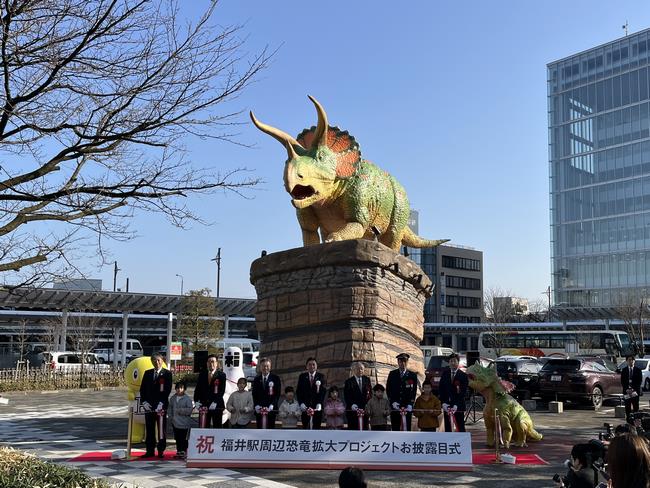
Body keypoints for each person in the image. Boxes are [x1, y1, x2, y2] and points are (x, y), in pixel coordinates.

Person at [139, 353, 173, 458]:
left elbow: (167, 389)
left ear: (162, 361)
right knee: (149, 429)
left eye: (158, 360)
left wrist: (161, 403)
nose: (156, 362)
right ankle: (150, 450)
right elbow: (142, 389)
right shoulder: (147, 373)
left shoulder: (167, 374)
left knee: (161, 429)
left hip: (160, 406)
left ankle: (161, 450)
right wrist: (144, 402)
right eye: (154, 360)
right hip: (149, 406)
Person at [386, 352, 418, 431]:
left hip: (407, 406)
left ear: (407, 362)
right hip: (395, 406)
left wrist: (411, 404)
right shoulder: (392, 374)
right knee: (395, 427)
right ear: (398, 362)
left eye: (405, 361)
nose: (403, 363)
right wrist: (392, 401)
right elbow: (388, 389)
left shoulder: (412, 375)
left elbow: (413, 391)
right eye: (401, 362)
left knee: (406, 427)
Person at [193, 354, 227, 428]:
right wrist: (196, 401)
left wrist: (215, 402)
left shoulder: (221, 375)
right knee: (204, 427)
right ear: (207, 363)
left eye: (213, 361)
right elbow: (197, 389)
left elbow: (221, 391)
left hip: (216, 405)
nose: (211, 364)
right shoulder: (202, 374)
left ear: (216, 363)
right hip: (204, 405)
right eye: (209, 362)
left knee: (217, 427)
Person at [439, 353, 468, 432]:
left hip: (458, 406)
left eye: (454, 361)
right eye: (451, 361)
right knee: (448, 427)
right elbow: (441, 389)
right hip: (447, 406)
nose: (452, 363)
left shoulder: (463, 376)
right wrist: (443, 403)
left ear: (458, 362)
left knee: (460, 426)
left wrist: (456, 405)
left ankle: (461, 444)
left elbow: (463, 393)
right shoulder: (445, 374)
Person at [296, 357, 327, 429]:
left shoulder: (321, 377)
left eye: (313, 364)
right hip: (305, 408)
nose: (311, 366)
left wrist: (319, 403)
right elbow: (298, 391)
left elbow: (323, 391)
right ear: (306, 366)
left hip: (317, 409)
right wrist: (301, 403)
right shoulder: (302, 377)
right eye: (309, 364)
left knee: (316, 428)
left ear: (316, 366)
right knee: (305, 428)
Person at [251, 357, 281, 428]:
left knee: (270, 429)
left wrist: (272, 405)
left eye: (267, 366)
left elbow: (277, 394)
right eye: (263, 366)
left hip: (271, 410)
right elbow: (254, 394)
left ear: (270, 367)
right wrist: (256, 405)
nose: (265, 368)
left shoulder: (275, 378)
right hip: (259, 410)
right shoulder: (256, 379)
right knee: (259, 429)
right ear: (260, 367)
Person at [343, 362, 372, 430]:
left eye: (361, 369)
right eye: (358, 369)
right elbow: (347, 395)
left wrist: (368, 405)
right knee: (353, 429)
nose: (360, 370)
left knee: (365, 428)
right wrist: (352, 404)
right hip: (353, 410)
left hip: (364, 409)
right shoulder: (349, 382)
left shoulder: (367, 380)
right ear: (354, 370)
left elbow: (370, 393)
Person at [168, 381, 193, 459]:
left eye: (181, 388)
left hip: (184, 422)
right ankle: (179, 451)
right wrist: (170, 417)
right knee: (177, 437)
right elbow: (170, 408)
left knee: (184, 438)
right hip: (175, 422)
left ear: (184, 389)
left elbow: (190, 409)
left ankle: (184, 451)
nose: (179, 389)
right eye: (178, 388)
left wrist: (180, 410)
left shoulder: (187, 399)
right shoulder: (173, 398)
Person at [621, 355, 643, 420]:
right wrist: (626, 389)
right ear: (627, 361)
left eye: (632, 360)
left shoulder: (638, 370)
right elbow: (622, 381)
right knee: (627, 408)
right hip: (627, 392)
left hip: (635, 392)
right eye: (629, 360)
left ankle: (636, 423)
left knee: (636, 408)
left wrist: (633, 390)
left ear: (634, 361)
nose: (631, 361)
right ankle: (628, 422)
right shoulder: (624, 370)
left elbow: (639, 381)